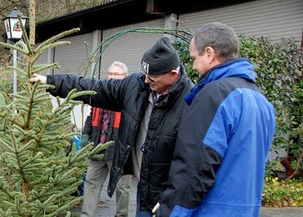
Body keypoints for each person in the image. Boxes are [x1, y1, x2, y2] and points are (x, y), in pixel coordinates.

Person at [30, 37, 193, 217]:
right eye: (145, 74)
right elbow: (95, 88)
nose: (146, 80)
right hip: (144, 190)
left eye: (152, 77)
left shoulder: (190, 102)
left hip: (167, 199)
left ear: (173, 75)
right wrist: (51, 81)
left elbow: (189, 161)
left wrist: (170, 199)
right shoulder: (137, 86)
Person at [154, 22, 276, 217]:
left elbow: (194, 166)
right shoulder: (262, 102)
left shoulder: (213, 95)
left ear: (209, 53)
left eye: (194, 58)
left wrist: (169, 212)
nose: (193, 67)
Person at [80, 61, 132, 217]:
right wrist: (85, 134)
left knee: (122, 188)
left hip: (119, 151)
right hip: (97, 148)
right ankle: (87, 215)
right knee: (91, 183)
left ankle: (121, 215)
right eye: (110, 73)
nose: (112, 77)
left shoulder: (130, 96)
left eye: (117, 74)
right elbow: (91, 116)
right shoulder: (100, 92)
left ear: (125, 77)